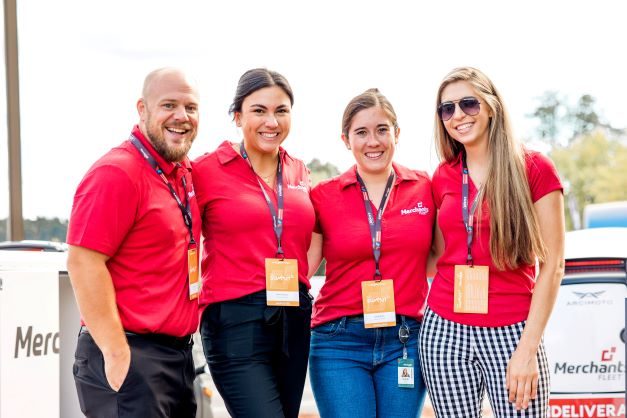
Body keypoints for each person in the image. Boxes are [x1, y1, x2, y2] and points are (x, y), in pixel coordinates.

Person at [419, 67, 565, 417]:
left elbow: (554, 265)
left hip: (514, 330)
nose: (458, 116)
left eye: (468, 104)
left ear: (490, 106)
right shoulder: (444, 175)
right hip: (444, 330)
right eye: (447, 109)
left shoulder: (534, 168)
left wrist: (527, 349)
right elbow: (438, 254)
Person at [66, 68, 201, 418]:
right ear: (142, 109)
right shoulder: (117, 172)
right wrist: (116, 353)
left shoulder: (183, 173)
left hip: (177, 359)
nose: (181, 117)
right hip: (132, 356)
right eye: (168, 105)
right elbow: (83, 261)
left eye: (191, 107)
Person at [193, 68, 315, 418]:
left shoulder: (299, 171)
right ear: (237, 115)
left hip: (293, 316)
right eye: (259, 110)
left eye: (281, 110)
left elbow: (309, 241)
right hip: (234, 319)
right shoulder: (205, 170)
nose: (271, 121)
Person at [307, 88, 433, 418]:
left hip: (405, 340)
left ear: (397, 133)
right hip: (339, 340)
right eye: (361, 132)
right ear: (346, 139)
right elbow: (303, 266)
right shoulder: (323, 195)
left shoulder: (425, 188)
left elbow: (441, 258)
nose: (372, 141)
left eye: (382, 130)